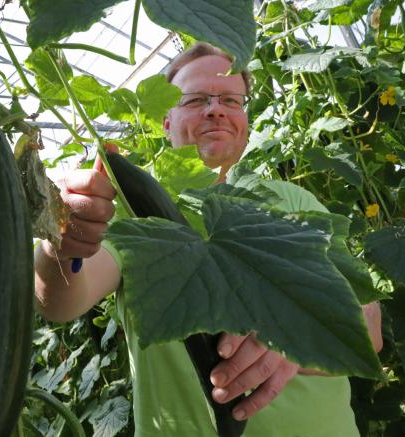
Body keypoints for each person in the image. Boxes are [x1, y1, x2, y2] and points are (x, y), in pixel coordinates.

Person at [34, 42, 383, 436]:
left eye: (231, 100)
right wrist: (60, 240)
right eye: (195, 99)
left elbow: (369, 328)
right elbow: (61, 301)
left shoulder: (292, 201)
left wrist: (299, 335)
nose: (214, 109)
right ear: (166, 120)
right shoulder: (133, 213)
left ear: (244, 118)